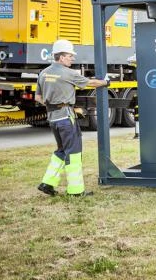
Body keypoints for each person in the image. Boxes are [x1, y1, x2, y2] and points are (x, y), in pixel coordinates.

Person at [35, 39, 110, 197]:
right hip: (66, 119)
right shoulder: (68, 73)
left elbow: (38, 97)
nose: (72, 58)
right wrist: (106, 82)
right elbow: (91, 83)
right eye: (70, 56)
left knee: (61, 150)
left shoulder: (44, 73)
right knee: (73, 153)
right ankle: (76, 191)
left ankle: (47, 183)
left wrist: (54, 105)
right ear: (61, 57)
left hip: (53, 119)